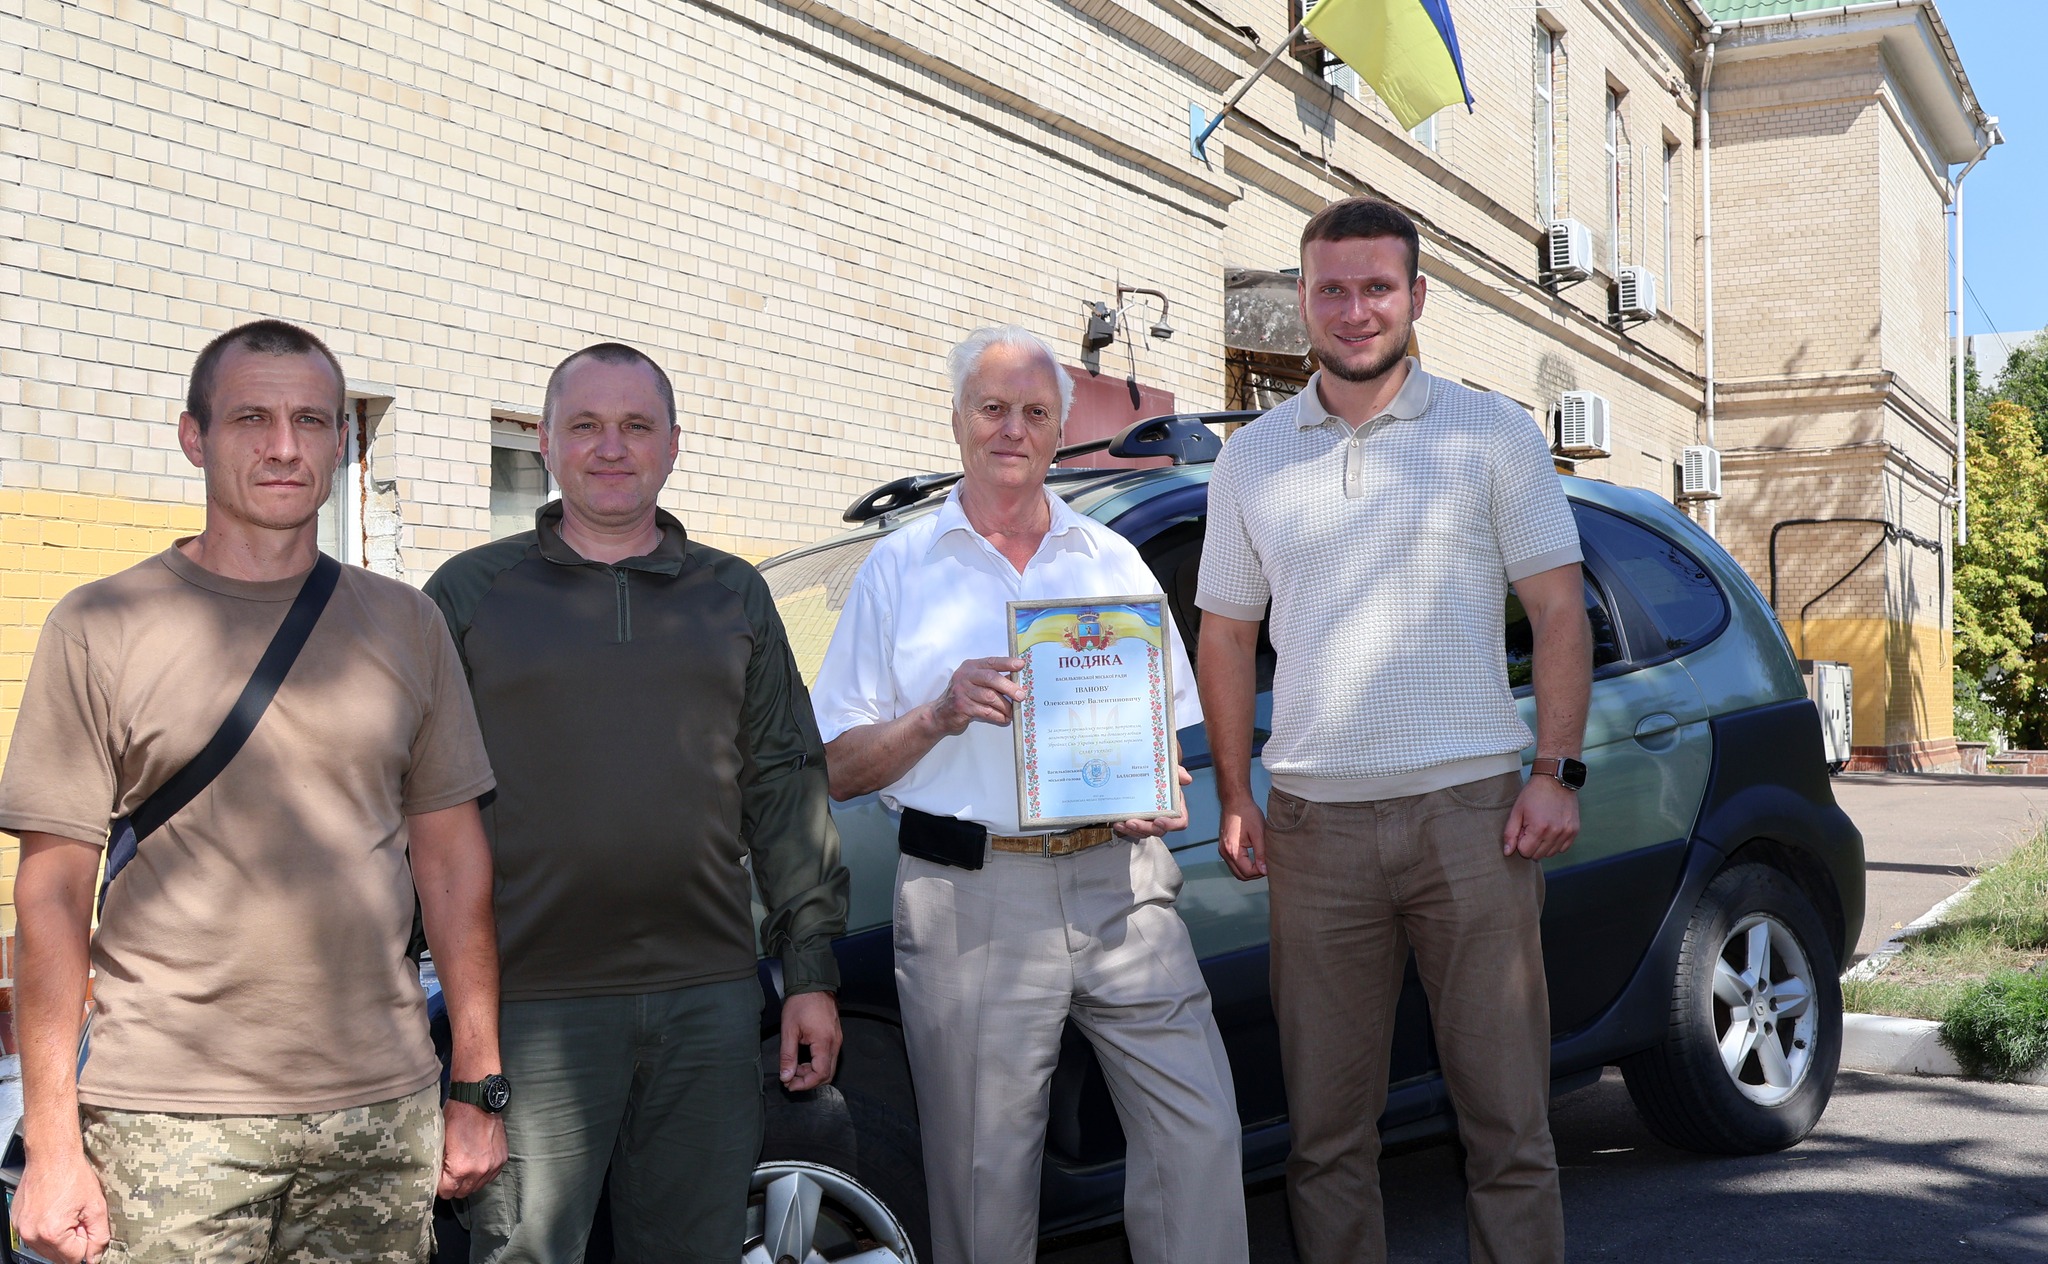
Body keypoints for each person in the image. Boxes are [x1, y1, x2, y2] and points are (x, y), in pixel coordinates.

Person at [0, 320, 506, 1264]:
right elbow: (53, 896)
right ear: (194, 438)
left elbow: (453, 866)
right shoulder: (99, 626)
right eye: (251, 419)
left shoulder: (407, 625)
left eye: (311, 420)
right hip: (166, 1121)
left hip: (378, 1112)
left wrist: (479, 1085)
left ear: (341, 442)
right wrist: (53, 1142)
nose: (284, 446)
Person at [1195, 197, 1593, 1264]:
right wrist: (1233, 793)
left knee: (1506, 1128)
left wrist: (1555, 771)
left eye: (1377, 287)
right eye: (1331, 288)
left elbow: (1559, 609)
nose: (1354, 309)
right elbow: (1225, 635)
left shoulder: (1491, 433)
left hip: (1475, 822)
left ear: (1416, 296)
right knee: (1326, 1143)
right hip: (1313, 831)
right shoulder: (1250, 459)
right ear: (1302, 300)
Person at [810, 325, 1249, 1264]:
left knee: (1199, 1139)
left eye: (1036, 412)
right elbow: (836, 765)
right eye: (993, 408)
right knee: (984, 1184)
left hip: (1122, 885)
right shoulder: (898, 569)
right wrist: (937, 714)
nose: (1013, 428)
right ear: (958, 421)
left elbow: (1164, 733)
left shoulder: (1110, 560)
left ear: (1058, 433)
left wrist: (1160, 790)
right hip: (973, 899)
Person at [424, 342, 848, 1263]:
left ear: (673, 445)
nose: (611, 447)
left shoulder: (733, 594)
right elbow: (411, 803)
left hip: (709, 1000)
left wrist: (810, 972)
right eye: (585, 425)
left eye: (635, 426)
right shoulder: (468, 594)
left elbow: (784, 782)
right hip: (532, 1007)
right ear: (545, 442)